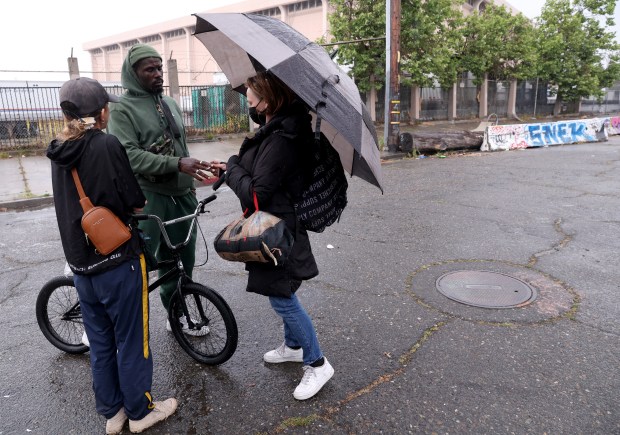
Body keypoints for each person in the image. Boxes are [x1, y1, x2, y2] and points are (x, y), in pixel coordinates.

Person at [47, 77, 177, 434]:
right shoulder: (106, 145)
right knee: (133, 339)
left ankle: (113, 413)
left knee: (101, 343)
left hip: (82, 266)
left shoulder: (57, 150)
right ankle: (140, 411)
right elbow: (133, 200)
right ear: (102, 112)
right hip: (118, 261)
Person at [213, 71, 334, 400]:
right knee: (283, 289)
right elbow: (257, 173)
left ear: (269, 99)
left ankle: (317, 362)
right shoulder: (275, 130)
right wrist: (231, 169)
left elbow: (257, 194)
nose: (247, 98)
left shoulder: (282, 138)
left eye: (252, 93)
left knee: (283, 298)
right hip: (276, 222)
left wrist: (233, 165)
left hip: (274, 228)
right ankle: (294, 346)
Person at [107, 44, 212, 334]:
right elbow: (128, 156)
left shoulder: (170, 103)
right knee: (148, 264)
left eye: (159, 68)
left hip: (183, 196)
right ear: (133, 73)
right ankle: (101, 316)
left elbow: (181, 147)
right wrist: (177, 163)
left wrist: (196, 171)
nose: (157, 74)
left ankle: (174, 313)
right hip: (152, 197)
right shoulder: (122, 109)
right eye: (149, 69)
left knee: (183, 262)